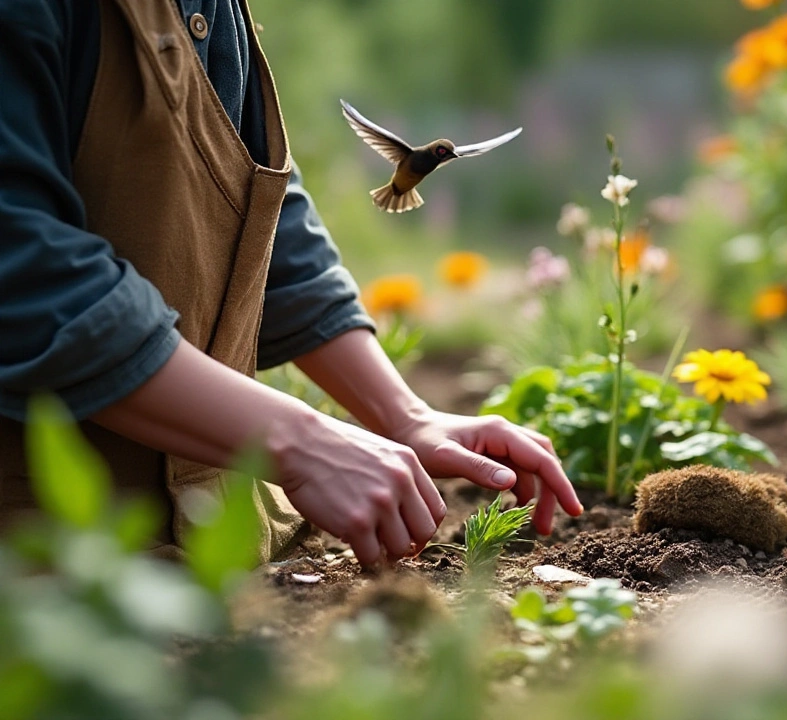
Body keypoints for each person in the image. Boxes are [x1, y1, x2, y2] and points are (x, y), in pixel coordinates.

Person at [0, 0, 583, 568]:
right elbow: (23, 270)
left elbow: (246, 204)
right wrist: (298, 440)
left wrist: (405, 415)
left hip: (207, 544)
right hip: (51, 566)